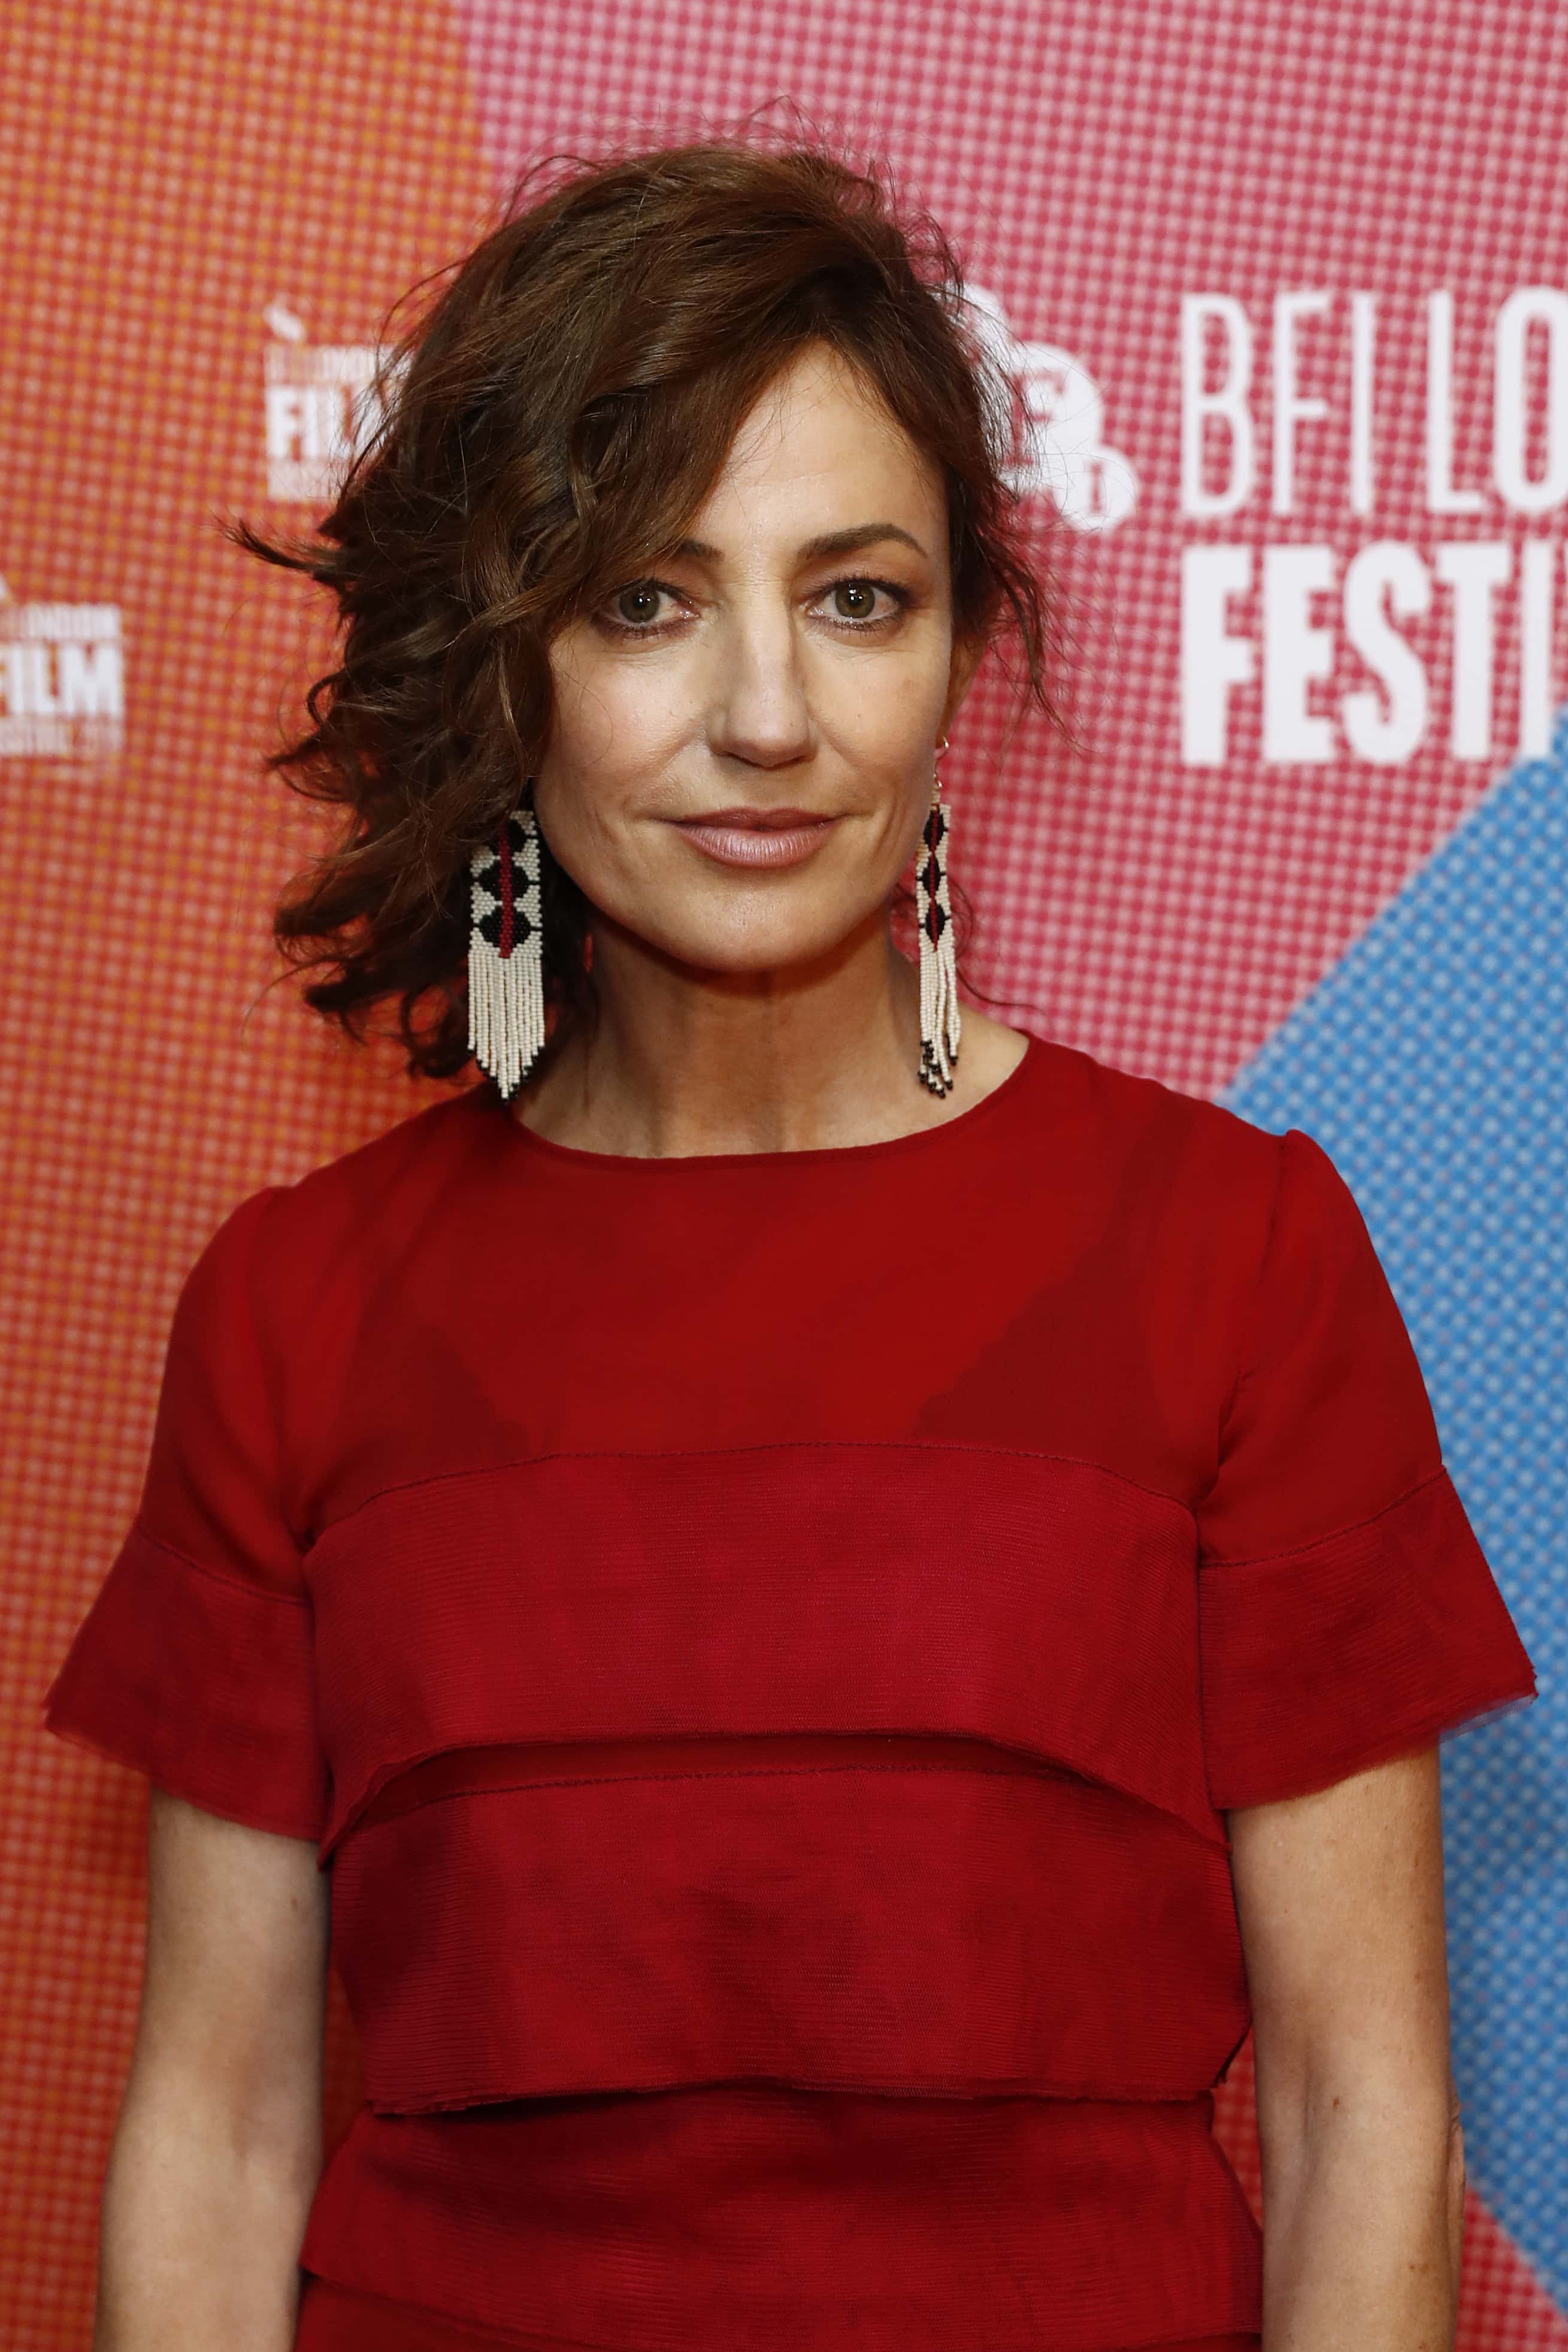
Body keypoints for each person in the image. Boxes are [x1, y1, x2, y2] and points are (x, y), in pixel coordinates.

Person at [45, 139, 1537, 2352]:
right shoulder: (296, 1312)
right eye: (646, 601)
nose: (765, 716)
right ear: (507, 658)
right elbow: (220, 2127)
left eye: (856, 598)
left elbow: (1358, 2112)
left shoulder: (1230, 1257)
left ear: (958, 650)